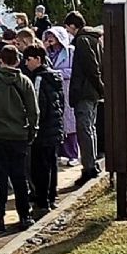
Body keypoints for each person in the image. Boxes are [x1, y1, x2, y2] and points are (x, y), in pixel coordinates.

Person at [0, 44, 38, 233]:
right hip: (19, 135)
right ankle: (24, 215)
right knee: (19, 177)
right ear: (18, 60)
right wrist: (31, 132)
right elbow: (33, 111)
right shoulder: (25, 82)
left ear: (0, 59)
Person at [65, 10, 104, 186]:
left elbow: (91, 67)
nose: (68, 31)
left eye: (68, 27)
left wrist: (99, 86)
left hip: (85, 91)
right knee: (90, 128)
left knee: (84, 129)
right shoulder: (94, 39)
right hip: (91, 91)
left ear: (73, 26)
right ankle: (92, 163)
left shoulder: (82, 41)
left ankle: (89, 167)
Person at [24, 44, 64, 213]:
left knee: (40, 167)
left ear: (38, 59)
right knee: (51, 164)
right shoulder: (54, 77)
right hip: (55, 127)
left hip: (43, 130)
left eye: (28, 59)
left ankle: (42, 201)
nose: (26, 63)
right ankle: (51, 196)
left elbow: (38, 106)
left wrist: (34, 126)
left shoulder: (39, 79)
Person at [43, 26, 78, 165]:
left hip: (67, 88)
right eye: (48, 36)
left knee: (70, 122)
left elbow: (74, 70)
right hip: (52, 89)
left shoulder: (70, 51)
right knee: (56, 120)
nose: (50, 39)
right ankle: (60, 153)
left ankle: (73, 154)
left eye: (53, 36)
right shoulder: (46, 52)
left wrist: (58, 73)